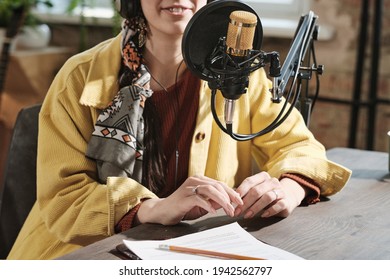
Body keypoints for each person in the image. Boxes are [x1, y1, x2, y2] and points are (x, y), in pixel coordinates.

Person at [7, 0, 351, 260]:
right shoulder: (78, 76)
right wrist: (149, 209)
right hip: (75, 255)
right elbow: (63, 197)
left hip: (189, 256)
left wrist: (288, 189)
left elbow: (300, 148)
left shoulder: (239, 74)